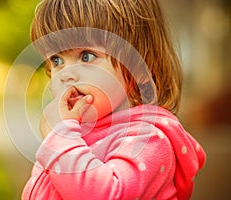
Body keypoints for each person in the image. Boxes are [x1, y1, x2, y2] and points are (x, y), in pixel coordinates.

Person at [22, 0, 206, 199]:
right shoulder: (75, 134)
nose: (66, 74)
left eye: (86, 56)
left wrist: (60, 139)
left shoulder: (147, 139)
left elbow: (108, 194)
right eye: (56, 60)